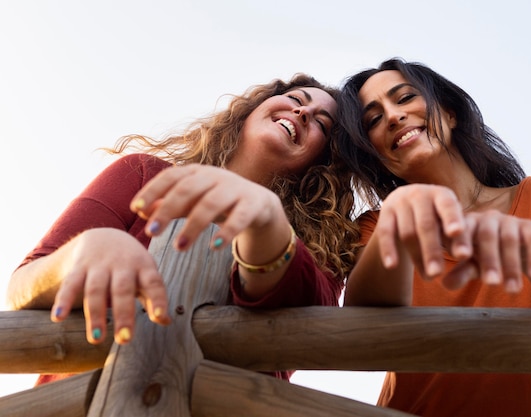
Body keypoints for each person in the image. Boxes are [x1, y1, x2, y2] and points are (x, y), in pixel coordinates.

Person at [6, 73, 361, 384]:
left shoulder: (322, 249)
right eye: (296, 99)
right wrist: (79, 254)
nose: (302, 112)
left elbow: (304, 312)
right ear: (251, 110)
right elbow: (22, 288)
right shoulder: (143, 175)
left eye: (321, 123)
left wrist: (266, 220)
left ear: (322, 162)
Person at [336, 57, 531, 417]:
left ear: (451, 113)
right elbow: (362, 333)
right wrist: (395, 226)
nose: (393, 116)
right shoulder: (377, 227)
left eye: (405, 97)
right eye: (373, 120)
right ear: (375, 153)